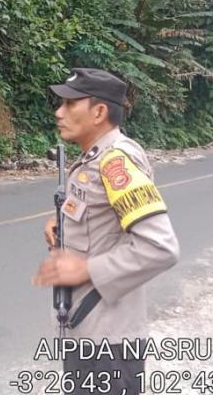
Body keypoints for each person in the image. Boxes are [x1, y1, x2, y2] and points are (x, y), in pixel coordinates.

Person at [32, 68, 180, 395]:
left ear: (99, 112)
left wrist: (85, 269)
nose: (59, 112)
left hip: (109, 346)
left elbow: (160, 247)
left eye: (70, 104)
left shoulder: (117, 162)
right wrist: (62, 224)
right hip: (84, 331)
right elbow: (99, 218)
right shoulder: (93, 160)